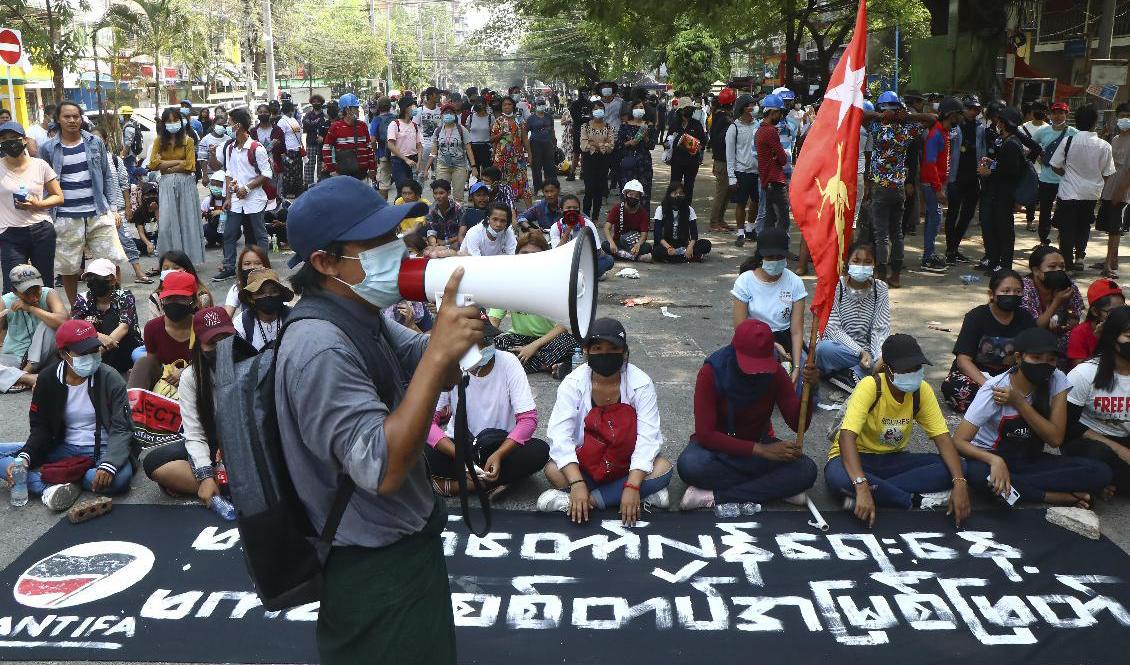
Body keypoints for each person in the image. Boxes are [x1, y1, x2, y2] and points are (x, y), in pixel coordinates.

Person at [274, 174, 478, 664]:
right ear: (325, 262)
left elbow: (443, 374)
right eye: (379, 242)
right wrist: (437, 356)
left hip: (404, 549)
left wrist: (457, 326)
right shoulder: (319, 346)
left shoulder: (366, 317)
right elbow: (382, 469)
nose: (397, 249)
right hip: (372, 569)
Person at [954, 327, 1112, 508]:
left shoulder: (1057, 378)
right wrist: (994, 461)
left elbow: (1055, 439)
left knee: (1100, 472)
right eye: (1036, 358)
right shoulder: (995, 389)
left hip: (1031, 460)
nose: (1044, 365)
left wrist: (1019, 402)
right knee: (978, 476)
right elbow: (959, 441)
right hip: (991, 457)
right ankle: (1055, 497)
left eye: (1051, 359)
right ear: (1019, 358)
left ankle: (1018, 489)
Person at [825, 334, 971, 527]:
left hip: (893, 460)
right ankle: (911, 499)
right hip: (855, 459)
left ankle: (877, 491)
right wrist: (861, 484)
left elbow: (943, 440)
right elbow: (846, 438)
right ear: (888, 370)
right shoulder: (871, 386)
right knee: (838, 479)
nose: (913, 373)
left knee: (959, 466)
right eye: (906, 369)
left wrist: (959, 482)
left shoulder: (922, 390)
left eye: (917, 368)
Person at [538, 317, 673, 524]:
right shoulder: (572, 383)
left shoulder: (641, 383)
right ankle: (632, 497)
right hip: (587, 463)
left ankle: (587, 501)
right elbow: (560, 436)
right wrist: (576, 482)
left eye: (612, 349)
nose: (604, 354)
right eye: (597, 348)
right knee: (553, 470)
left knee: (662, 467)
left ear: (624, 352)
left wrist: (633, 485)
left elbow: (648, 438)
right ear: (586, 352)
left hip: (626, 465)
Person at [678, 319, 819, 510]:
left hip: (757, 446)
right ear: (734, 351)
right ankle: (776, 488)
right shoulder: (711, 372)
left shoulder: (775, 372)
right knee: (690, 465)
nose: (756, 372)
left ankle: (717, 496)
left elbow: (796, 423)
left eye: (761, 366)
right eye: (750, 366)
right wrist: (761, 450)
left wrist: (809, 390)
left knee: (806, 470)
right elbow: (705, 434)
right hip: (717, 450)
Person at [0, 319, 137, 514]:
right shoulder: (47, 379)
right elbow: (42, 428)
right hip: (63, 446)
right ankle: (53, 486)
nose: (91, 357)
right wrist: (25, 457)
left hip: (103, 449)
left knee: (119, 479)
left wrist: (109, 464)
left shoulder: (110, 378)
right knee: (17, 460)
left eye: (94, 350)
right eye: (83, 352)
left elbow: (122, 428)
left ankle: (54, 478)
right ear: (64, 354)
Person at [142, 307, 255, 503]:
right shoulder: (191, 377)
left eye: (225, 341)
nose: (220, 348)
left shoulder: (253, 365)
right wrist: (206, 475)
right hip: (213, 444)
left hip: (250, 445)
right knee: (154, 462)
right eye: (212, 343)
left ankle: (230, 486)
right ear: (199, 346)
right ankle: (226, 485)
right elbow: (194, 433)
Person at [425, 333, 549, 498]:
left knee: (539, 451)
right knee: (416, 449)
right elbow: (427, 422)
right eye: (475, 343)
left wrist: (499, 454)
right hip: (460, 447)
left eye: (486, 341)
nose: (483, 348)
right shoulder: (450, 365)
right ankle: (492, 482)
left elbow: (528, 419)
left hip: (499, 445)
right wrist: (458, 455)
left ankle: (461, 486)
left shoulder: (508, 362)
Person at [38, 101, 128, 304]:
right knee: (68, 268)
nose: (72, 120)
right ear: (58, 120)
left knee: (111, 261)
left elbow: (107, 176)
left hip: (98, 212)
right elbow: (44, 183)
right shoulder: (48, 148)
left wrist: (113, 208)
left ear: (81, 118)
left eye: (75, 116)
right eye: (66, 117)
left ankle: (117, 304)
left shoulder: (94, 142)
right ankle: (75, 307)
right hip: (65, 216)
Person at [861, 93, 936, 288]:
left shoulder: (877, 128)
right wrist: (906, 117)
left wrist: (882, 116)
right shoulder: (907, 130)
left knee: (881, 234)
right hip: (898, 189)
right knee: (897, 234)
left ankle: (881, 275)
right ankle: (896, 276)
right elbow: (932, 119)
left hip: (880, 188)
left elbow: (860, 115)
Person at [940, 269, 1036, 413]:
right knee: (955, 388)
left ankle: (999, 403)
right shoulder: (976, 317)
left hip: (1010, 375)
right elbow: (963, 360)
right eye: (1006, 291)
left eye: (1017, 291)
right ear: (992, 294)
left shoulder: (1026, 318)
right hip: (977, 374)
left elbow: (1031, 354)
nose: (1012, 295)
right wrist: (987, 385)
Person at [1064, 305, 1130, 496]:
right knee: (1097, 458)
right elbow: (1069, 427)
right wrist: (1119, 449)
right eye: (1128, 335)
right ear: (1112, 337)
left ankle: (1104, 483)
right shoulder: (1085, 373)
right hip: (1091, 441)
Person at [814, 241, 891, 392]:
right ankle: (859, 374)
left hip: (868, 350)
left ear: (874, 264)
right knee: (823, 349)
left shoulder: (880, 289)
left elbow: (881, 328)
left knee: (896, 353)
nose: (861, 266)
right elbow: (833, 329)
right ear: (847, 262)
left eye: (867, 262)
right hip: (840, 348)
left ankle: (847, 375)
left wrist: (879, 358)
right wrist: (861, 353)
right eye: (856, 261)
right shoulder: (836, 285)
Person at [731, 228, 806, 376]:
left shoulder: (795, 282)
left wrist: (797, 367)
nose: (775, 262)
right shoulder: (745, 281)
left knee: (802, 376)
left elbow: (796, 331)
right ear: (761, 257)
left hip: (785, 339)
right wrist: (772, 345)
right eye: (770, 258)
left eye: (780, 257)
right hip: (752, 339)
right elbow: (740, 329)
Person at [1049, 105, 1115, 272]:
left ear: (1076, 122)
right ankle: (1080, 257)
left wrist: (1066, 174)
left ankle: (1067, 262)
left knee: (1067, 227)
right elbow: (1108, 173)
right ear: (1094, 123)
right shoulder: (1104, 146)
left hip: (1069, 192)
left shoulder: (1068, 141)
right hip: (1091, 193)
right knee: (1084, 226)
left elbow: (1055, 165)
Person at [0, 120, 62, 293]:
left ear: (24, 140)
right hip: (9, 234)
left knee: (45, 283)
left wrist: (38, 204)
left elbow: (59, 197)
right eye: (4, 139)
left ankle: (47, 318)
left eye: (14, 137)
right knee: (12, 287)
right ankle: (15, 320)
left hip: (41, 230)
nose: (9, 142)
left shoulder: (39, 165)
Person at [211, 108, 272, 281]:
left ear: (238, 125)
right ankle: (229, 266)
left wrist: (247, 188)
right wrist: (228, 197)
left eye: (229, 123)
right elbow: (229, 172)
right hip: (236, 199)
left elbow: (267, 174)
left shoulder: (256, 148)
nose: (226, 126)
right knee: (229, 233)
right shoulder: (230, 148)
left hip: (254, 199)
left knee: (259, 234)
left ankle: (263, 266)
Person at [146, 106, 204, 270]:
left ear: (182, 122)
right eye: (169, 121)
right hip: (166, 186)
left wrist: (166, 165)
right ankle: (166, 261)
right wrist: (178, 162)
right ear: (163, 124)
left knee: (187, 221)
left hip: (186, 185)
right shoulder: (159, 141)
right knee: (166, 225)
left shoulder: (189, 140)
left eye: (175, 121)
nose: (172, 124)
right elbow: (153, 164)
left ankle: (188, 261)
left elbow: (191, 166)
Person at [977, 106, 1031, 273]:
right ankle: (993, 260)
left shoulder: (1012, 144)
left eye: (1000, 120)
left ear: (1005, 123)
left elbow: (1012, 172)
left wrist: (990, 171)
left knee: (1004, 231)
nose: (997, 123)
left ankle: (1004, 264)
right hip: (996, 193)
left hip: (1004, 195)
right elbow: (1004, 166)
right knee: (992, 227)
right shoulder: (1005, 141)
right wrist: (991, 163)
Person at [0, 264, 66, 392]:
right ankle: (30, 378)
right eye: (27, 293)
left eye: (37, 290)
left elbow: (64, 322)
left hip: (47, 357)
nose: (34, 297)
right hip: (14, 357)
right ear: (14, 291)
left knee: (49, 324)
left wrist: (31, 308)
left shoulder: (49, 294)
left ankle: (19, 376)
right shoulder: (5, 301)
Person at [129, 270, 197, 395]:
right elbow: (152, 363)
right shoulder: (153, 328)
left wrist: (187, 372)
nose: (174, 303)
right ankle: (134, 408)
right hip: (165, 383)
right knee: (142, 363)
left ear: (194, 301)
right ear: (162, 300)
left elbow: (211, 363)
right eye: (169, 298)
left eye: (181, 298)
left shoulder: (202, 326)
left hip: (197, 383)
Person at [70, 258, 141, 374]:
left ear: (112, 280)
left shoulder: (125, 296)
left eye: (97, 278)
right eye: (90, 278)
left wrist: (98, 353)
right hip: (93, 346)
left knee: (110, 319)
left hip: (123, 346)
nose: (92, 282)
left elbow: (124, 327)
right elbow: (73, 325)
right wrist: (98, 335)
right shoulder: (82, 298)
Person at [1020, 245, 1085, 367]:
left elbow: (1075, 318)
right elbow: (1035, 327)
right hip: (1031, 340)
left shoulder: (1068, 286)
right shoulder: (1024, 289)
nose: (1058, 270)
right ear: (1036, 271)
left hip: (1060, 339)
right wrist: (1056, 302)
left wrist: (1064, 326)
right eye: (1052, 267)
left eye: (1062, 267)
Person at [919, 98, 962, 272]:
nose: (961, 118)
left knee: (933, 219)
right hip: (931, 184)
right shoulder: (936, 134)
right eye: (958, 114)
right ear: (951, 115)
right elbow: (929, 164)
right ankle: (928, 258)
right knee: (935, 220)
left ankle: (929, 254)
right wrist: (938, 188)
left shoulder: (943, 132)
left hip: (935, 183)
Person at [944, 96, 985, 264]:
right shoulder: (954, 127)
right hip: (955, 177)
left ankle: (954, 247)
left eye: (975, 109)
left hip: (973, 177)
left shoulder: (980, 128)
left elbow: (982, 151)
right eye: (969, 109)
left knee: (967, 215)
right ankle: (950, 250)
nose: (972, 112)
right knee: (953, 213)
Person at [1030, 101, 1076, 247]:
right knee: (1044, 211)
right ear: (1050, 114)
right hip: (1046, 179)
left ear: (1066, 114)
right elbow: (1031, 146)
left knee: (1065, 213)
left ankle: (1063, 240)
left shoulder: (1074, 133)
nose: (1057, 116)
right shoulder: (1043, 131)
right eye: (1054, 113)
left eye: (1061, 112)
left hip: (1065, 180)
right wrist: (1039, 157)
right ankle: (1043, 241)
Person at [1097, 103, 1130, 279]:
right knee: (1109, 228)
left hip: (1123, 192)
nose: (1125, 119)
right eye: (1122, 115)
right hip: (1109, 189)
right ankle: (1111, 260)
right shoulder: (1115, 139)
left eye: (1128, 115)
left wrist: (1121, 191)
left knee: (1116, 229)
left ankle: (1109, 265)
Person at [422, 105, 475, 202]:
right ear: (441, 115)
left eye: (451, 113)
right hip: (442, 166)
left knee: (458, 196)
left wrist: (474, 167)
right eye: (446, 113)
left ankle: (458, 215)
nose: (448, 115)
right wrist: (426, 169)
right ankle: (443, 215)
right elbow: (433, 152)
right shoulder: (437, 131)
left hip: (459, 166)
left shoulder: (462, 130)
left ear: (455, 115)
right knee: (441, 194)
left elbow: (468, 149)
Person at [1068, 278, 1125, 368]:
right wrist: (1102, 342)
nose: (1119, 316)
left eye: (1121, 310)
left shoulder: (1125, 330)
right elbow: (1080, 369)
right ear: (1095, 311)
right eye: (1112, 312)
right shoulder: (1079, 333)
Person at [726, 94, 759, 244]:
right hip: (741, 171)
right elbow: (730, 154)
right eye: (750, 105)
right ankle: (740, 232)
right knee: (741, 203)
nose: (754, 108)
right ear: (743, 108)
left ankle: (750, 228)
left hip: (757, 171)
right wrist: (731, 176)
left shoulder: (758, 125)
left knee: (756, 201)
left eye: (754, 105)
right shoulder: (734, 128)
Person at [233, 268, 291, 351]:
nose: (268, 296)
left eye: (273, 291)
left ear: (280, 294)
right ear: (250, 298)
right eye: (260, 293)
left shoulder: (292, 318)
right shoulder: (242, 323)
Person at [652, 181, 711, 263]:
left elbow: (694, 234)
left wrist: (690, 247)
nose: (678, 195)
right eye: (674, 193)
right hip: (667, 244)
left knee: (706, 244)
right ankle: (690, 257)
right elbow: (657, 235)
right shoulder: (661, 209)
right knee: (657, 251)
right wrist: (669, 247)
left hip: (683, 244)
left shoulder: (689, 209)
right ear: (669, 194)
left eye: (680, 193)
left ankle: (677, 258)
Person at [323, 93, 375, 181]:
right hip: (343, 176)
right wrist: (332, 170)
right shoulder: (335, 127)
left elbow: (369, 147)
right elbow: (326, 149)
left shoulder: (362, 126)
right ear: (347, 110)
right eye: (356, 108)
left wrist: (372, 168)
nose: (358, 111)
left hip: (363, 175)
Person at [491, 96, 531, 208]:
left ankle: (531, 212)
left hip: (518, 158)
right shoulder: (498, 121)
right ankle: (505, 210)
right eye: (504, 105)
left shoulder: (520, 120)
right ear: (501, 107)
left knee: (523, 183)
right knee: (502, 184)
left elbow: (525, 139)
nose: (507, 106)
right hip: (502, 159)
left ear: (513, 105)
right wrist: (500, 135)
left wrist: (530, 155)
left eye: (509, 104)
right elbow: (492, 139)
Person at [150, 250, 214, 318]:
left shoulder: (201, 295)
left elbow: (207, 323)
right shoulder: (156, 297)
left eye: (176, 268)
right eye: (166, 268)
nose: (170, 271)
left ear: (187, 269)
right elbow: (154, 324)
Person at [579, 101, 614, 222]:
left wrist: (594, 144)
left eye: (601, 108)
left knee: (599, 189)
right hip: (589, 160)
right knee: (589, 188)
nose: (598, 110)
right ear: (591, 111)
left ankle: (595, 217)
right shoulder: (586, 126)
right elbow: (584, 145)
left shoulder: (608, 127)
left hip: (603, 160)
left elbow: (611, 146)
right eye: (595, 108)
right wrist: (602, 145)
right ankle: (585, 216)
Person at [602, 180, 652, 262]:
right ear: (625, 195)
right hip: (618, 242)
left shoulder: (643, 212)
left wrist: (638, 245)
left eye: (636, 196)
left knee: (647, 248)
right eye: (630, 194)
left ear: (640, 198)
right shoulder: (617, 208)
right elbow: (607, 227)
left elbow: (644, 234)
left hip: (634, 243)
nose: (633, 198)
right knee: (605, 245)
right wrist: (611, 243)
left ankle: (621, 255)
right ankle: (636, 258)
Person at [616, 99, 653, 206]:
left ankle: (643, 219)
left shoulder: (648, 125)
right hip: (628, 162)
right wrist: (629, 143)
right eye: (636, 107)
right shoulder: (625, 125)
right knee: (627, 191)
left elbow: (652, 145)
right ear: (631, 110)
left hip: (644, 163)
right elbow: (619, 145)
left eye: (641, 108)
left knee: (644, 192)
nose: (638, 110)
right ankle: (624, 218)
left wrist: (645, 137)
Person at [668, 100, 707, 200]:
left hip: (692, 162)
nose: (689, 110)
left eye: (690, 108)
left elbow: (704, 141)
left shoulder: (696, 124)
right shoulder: (674, 124)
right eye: (686, 108)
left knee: (689, 186)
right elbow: (667, 140)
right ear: (680, 111)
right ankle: (673, 207)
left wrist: (697, 147)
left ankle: (686, 209)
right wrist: (667, 144)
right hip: (677, 161)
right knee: (674, 186)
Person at [708, 90, 735, 232]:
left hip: (722, 160)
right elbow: (723, 140)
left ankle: (720, 219)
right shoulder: (725, 119)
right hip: (722, 161)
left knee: (726, 192)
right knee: (721, 192)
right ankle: (714, 222)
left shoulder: (718, 116)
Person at [223, 244, 270, 316]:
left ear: (265, 265)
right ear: (241, 267)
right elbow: (226, 317)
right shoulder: (237, 289)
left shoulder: (275, 286)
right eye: (247, 264)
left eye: (258, 263)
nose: (252, 267)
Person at [385, 97, 422, 191]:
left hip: (413, 160)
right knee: (403, 190)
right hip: (399, 162)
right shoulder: (394, 124)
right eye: (413, 106)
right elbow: (390, 145)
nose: (415, 108)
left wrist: (419, 162)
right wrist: (405, 159)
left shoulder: (414, 125)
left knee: (413, 191)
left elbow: (419, 145)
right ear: (405, 108)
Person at [526, 97, 557, 194]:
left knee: (550, 167)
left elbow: (552, 130)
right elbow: (525, 133)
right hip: (535, 145)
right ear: (535, 105)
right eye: (539, 104)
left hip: (548, 144)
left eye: (543, 104)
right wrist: (527, 149)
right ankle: (538, 188)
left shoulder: (549, 117)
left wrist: (554, 142)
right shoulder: (531, 118)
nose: (541, 106)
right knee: (536, 167)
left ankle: (551, 187)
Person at [276, 100, 305, 198]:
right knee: (289, 173)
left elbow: (299, 133)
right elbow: (280, 137)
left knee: (298, 172)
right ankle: (288, 192)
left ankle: (297, 191)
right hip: (288, 151)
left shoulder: (293, 120)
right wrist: (283, 152)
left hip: (297, 149)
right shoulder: (282, 121)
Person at [424, 179, 462, 251]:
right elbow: (431, 231)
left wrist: (446, 242)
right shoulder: (430, 210)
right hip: (439, 243)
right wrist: (433, 243)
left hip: (456, 242)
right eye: (435, 193)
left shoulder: (458, 208)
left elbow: (463, 232)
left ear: (449, 193)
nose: (438, 196)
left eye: (441, 193)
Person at [463, 98, 494, 183]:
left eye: (482, 104)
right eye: (478, 104)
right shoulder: (471, 117)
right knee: (474, 172)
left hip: (486, 147)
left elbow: (493, 134)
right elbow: (467, 132)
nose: (480, 106)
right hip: (473, 147)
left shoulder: (491, 118)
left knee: (487, 173)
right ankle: (473, 192)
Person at [302, 94, 329, 190]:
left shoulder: (325, 116)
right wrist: (314, 124)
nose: (316, 103)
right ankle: (307, 184)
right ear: (311, 103)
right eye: (314, 102)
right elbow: (305, 126)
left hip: (322, 144)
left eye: (318, 102)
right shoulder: (308, 115)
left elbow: (328, 128)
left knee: (321, 163)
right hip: (310, 142)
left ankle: (320, 182)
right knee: (309, 163)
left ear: (321, 103)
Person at [415, 87, 443, 179]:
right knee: (421, 174)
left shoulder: (441, 111)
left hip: (438, 147)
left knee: (439, 174)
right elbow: (414, 128)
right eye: (437, 94)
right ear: (430, 96)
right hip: (424, 146)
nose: (439, 96)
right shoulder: (420, 111)